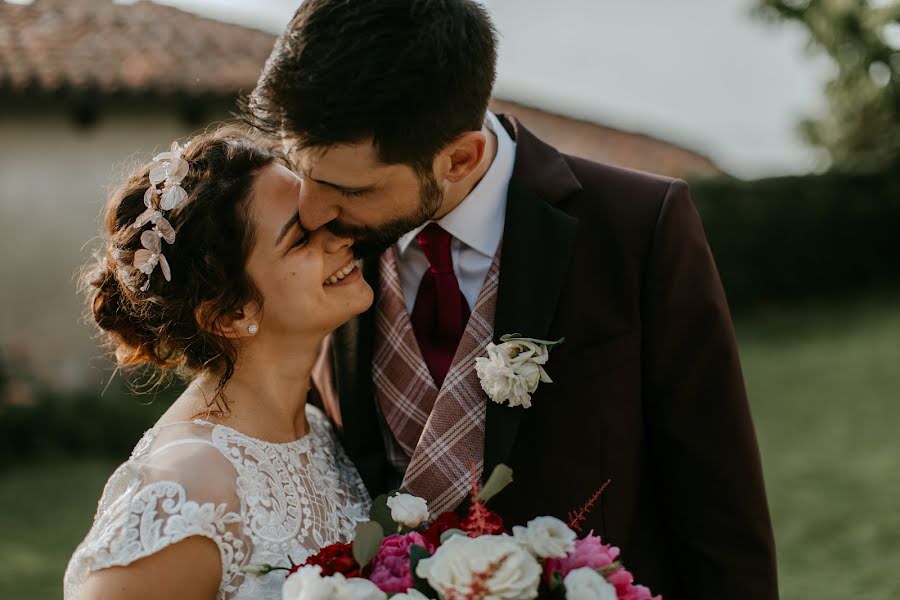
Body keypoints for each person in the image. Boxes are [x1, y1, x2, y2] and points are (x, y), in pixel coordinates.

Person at [245, 1, 779, 598]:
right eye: (302, 171)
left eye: (349, 188)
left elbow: (718, 502)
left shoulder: (636, 227)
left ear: (460, 158)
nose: (313, 212)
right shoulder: (313, 255)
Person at [64, 127, 373, 600]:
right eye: (300, 238)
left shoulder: (318, 428)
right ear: (229, 314)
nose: (337, 237)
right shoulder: (185, 491)